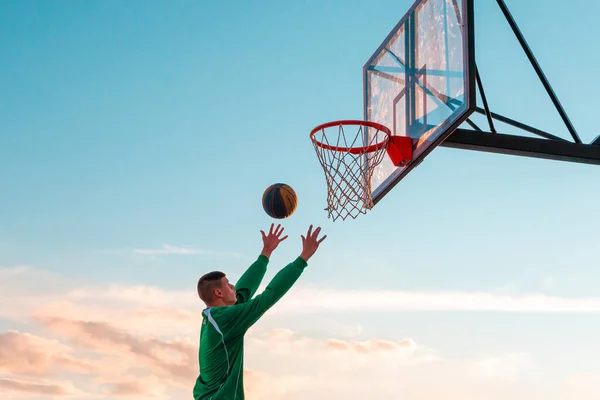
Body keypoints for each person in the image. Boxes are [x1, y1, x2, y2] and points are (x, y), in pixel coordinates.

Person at [192, 223, 327, 400]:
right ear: (218, 293)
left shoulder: (214, 317)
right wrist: (303, 258)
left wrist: (266, 253)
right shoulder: (225, 319)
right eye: (227, 284)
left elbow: (242, 292)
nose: (233, 286)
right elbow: (268, 296)